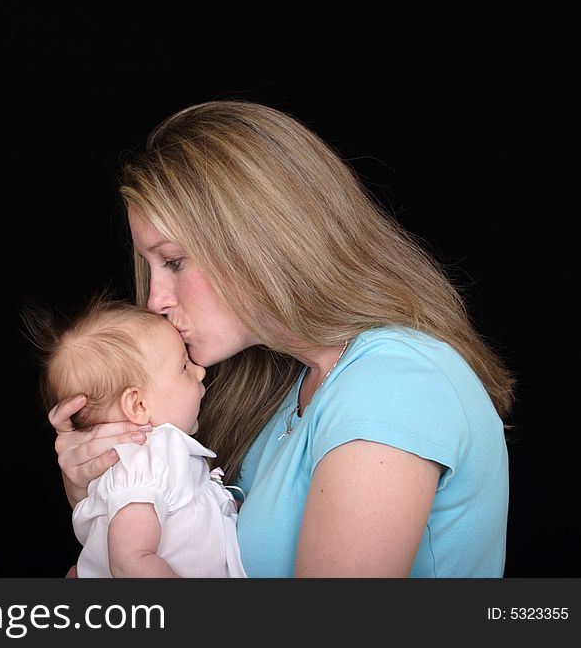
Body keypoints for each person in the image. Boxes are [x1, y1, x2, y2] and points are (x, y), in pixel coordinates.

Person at [48, 100, 514, 577]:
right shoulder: (287, 389)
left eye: (173, 261)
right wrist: (104, 492)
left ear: (257, 239)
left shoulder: (394, 385)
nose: (155, 301)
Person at [24, 297, 246, 578]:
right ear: (138, 406)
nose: (200, 371)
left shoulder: (153, 459)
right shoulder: (145, 461)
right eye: (185, 366)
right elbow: (129, 563)